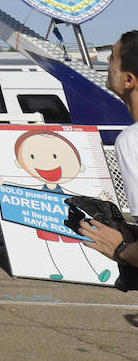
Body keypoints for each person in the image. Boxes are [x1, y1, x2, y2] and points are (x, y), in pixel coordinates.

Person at [80, 30, 138, 270]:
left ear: (129, 80)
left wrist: (120, 249)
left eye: (113, 57)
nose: (107, 62)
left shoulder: (132, 140)